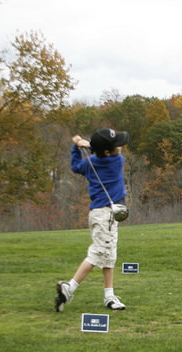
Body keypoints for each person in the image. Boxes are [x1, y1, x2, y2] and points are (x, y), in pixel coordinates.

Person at [55, 128, 130, 312]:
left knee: (109, 254)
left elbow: (75, 166)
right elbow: (115, 151)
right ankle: (70, 286)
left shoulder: (90, 163)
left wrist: (77, 146)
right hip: (105, 215)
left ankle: (109, 296)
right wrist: (87, 144)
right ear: (107, 151)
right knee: (99, 253)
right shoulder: (117, 161)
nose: (118, 147)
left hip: (100, 214)